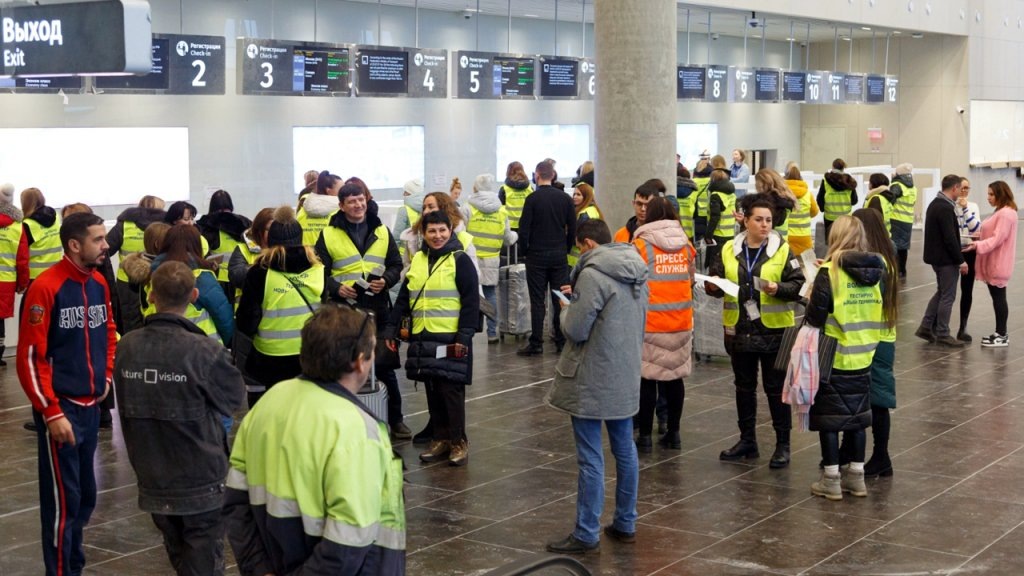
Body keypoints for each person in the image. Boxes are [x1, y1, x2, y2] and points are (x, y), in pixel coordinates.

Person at [225, 305, 406, 575]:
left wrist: (258, 569)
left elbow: (236, 501)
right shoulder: (356, 428)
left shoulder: (267, 404)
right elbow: (348, 540)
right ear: (360, 361)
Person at [114, 261, 245, 576]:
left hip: (151, 473)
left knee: (179, 555)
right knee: (203, 562)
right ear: (195, 295)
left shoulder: (127, 347)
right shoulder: (204, 351)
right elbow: (232, 400)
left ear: (152, 295)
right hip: (199, 475)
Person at [17, 212, 117, 576]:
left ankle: (73, 565)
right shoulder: (45, 288)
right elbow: (30, 358)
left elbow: (108, 331)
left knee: (86, 496)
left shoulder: (98, 284)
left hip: (91, 407)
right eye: (98, 239)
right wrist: (51, 412)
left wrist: (106, 376)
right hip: (63, 412)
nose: (106, 245)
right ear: (75, 245)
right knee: (63, 503)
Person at [545, 219, 648, 554]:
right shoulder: (637, 269)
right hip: (626, 372)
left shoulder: (592, 275)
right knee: (625, 449)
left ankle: (586, 532)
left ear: (587, 244)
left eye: (578, 248)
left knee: (590, 457)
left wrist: (565, 309)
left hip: (591, 375)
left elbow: (575, 330)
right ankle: (626, 523)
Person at [706, 195, 805, 469]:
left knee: (776, 390)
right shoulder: (728, 249)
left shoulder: (783, 250)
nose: (764, 225)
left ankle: (782, 444)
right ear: (745, 221)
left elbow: (799, 285)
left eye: (769, 221)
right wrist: (712, 286)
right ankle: (747, 440)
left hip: (775, 331)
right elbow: (715, 280)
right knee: (744, 388)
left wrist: (778, 289)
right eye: (759, 220)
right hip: (738, 329)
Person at [386, 210, 480, 466]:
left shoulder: (459, 260)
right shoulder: (417, 260)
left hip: (451, 337)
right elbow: (404, 298)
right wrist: (391, 328)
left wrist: (464, 336)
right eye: (432, 231)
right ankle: (441, 438)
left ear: (450, 230)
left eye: (442, 230)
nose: (437, 236)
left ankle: (459, 441)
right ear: (423, 234)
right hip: (424, 336)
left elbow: (471, 302)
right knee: (432, 388)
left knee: (451, 390)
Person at [315, 182, 409, 437]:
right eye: (352, 201)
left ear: (366, 201)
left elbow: (395, 264)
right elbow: (318, 272)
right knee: (345, 364)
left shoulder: (382, 230)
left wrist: (387, 280)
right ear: (342, 205)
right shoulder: (328, 234)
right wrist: (336, 287)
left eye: (361, 200)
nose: (358, 205)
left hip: (377, 308)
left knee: (385, 364)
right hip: (344, 310)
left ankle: (396, 419)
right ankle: (346, 419)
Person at [805, 216, 886, 500]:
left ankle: (831, 479)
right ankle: (857, 478)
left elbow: (815, 318)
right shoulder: (878, 269)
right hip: (865, 353)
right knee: (858, 418)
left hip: (835, 355)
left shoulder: (830, 271)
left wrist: (813, 290)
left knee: (830, 419)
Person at [238, 207, 325, 406]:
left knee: (274, 410)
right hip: (310, 354)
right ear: (300, 238)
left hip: (270, 358)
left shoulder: (259, 273)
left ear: (271, 240)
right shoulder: (318, 269)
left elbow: (247, 321)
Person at [631, 197, 694, 452]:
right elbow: (690, 280)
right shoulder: (687, 246)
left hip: (651, 322)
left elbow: (632, 281)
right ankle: (674, 434)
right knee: (675, 378)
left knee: (647, 380)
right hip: (680, 321)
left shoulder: (640, 245)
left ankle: (644, 437)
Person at [852, 208, 901, 478]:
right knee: (878, 398)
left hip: (872, 338)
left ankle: (880, 456)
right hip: (884, 336)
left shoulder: (874, 263)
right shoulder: (888, 256)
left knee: (872, 399)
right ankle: (879, 456)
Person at [517, 160, 576, 356]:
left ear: (537, 175)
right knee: (560, 297)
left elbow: (524, 230)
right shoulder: (565, 199)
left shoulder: (532, 199)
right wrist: (565, 249)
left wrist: (524, 251)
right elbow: (572, 229)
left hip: (536, 256)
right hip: (559, 256)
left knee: (537, 300)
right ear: (553, 175)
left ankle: (536, 343)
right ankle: (560, 340)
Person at [153, 224, 234, 345]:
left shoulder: (154, 273)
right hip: (202, 346)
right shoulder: (201, 277)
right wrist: (229, 342)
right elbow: (222, 315)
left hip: (159, 343)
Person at [963, 180, 1019, 348]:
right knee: (997, 298)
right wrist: (977, 237)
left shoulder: (1006, 214)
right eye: (988, 194)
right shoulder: (1000, 212)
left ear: (1001, 194)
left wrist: (978, 245)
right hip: (993, 262)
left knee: (999, 298)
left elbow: (997, 238)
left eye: (991, 194)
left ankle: (1002, 334)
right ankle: (1000, 332)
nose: (988, 197)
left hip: (998, 263)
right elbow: (991, 232)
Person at [463, 173, 517, 343]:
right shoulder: (501, 210)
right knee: (490, 294)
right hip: (492, 259)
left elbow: (459, 232)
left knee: (466, 295)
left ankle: (466, 331)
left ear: (476, 188)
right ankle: (492, 333)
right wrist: (515, 236)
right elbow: (508, 238)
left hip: (470, 258)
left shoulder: (467, 208)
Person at [916, 174, 968, 348]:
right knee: (948, 295)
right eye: (960, 189)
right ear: (954, 188)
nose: (961, 192)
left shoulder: (935, 204)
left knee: (941, 292)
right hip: (945, 259)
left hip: (936, 258)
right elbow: (950, 238)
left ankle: (925, 326)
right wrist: (961, 260)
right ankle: (943, 333)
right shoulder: (945, 207)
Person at [106, 195, 166, 333]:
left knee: (129, 320)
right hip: (156, 280)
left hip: (127, 281)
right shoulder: (163, 227)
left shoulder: (125, 225)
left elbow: (106, 250)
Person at [196, 189, 251, 302]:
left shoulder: (206, 226)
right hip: (243, 277)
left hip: (219, 279)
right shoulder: (245, 223)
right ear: (231, 205)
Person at [0, 182, 28, 366]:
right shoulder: (18, 227)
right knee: (0, 319)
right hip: (6, 281)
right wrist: (22, 283)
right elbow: (22, 259)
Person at [227, 207, 275, 301]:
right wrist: (263, 266)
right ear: (259, 230)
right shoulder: (243, 249)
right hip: (248, 308)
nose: (274, 233)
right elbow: (236, 276)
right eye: (270, 229)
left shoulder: (282, 250)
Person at [954, 177, 981, 342]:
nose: (964, 191)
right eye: (962, 188)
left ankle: (963, 327)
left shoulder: (973, 207)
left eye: (967, 188)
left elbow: (976, 229)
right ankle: (936, 324)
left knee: (967, 290)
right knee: (946, 290)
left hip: (969, 250)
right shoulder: (950, 206)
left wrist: (965, 210)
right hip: (953, 250)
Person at [19, 187, 62, 285]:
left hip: (35, 276)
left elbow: (22, 254)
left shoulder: (27, 225)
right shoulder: (55, 217)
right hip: (56, 271)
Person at [816, 158, 858, 242]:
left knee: (831, 242)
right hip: (846, 219)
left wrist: (822, 209)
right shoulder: (849, 182)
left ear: (833, 167)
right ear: (843, 168)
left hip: (830, 219)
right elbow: (854, 201)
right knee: (845, 242)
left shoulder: (826, 181)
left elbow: (820, 199)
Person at [297, 171, 342, 246]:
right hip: (329, 252)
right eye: (341, 189)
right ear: (329, 191)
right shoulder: (339, 210)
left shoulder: (303, 207)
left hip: (304, 253)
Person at [783, 164, 819, 256]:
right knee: (806, 266)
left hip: (787, 236)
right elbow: (815, 212)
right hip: (804, 235)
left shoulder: (782, 193)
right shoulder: (807, 194)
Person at [890, 163, 918, 280]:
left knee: (894, 245)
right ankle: (902, 269)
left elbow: (890, 198)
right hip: (907, 221)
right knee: (904, 247)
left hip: (896, 219)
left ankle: (895, 270)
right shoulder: (913, 188)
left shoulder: (896, 185)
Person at [705, 169, 737, 269]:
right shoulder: (732, 194)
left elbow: (715, 217)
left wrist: (708, 234)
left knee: (715, 264)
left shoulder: (715, 195)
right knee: (725, 262)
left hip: (718, 235)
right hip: (730, 234)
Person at [754, 169, 797, 239]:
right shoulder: (784, 200)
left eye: (756, 182)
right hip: (781, 242)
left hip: (770, 242)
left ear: (763, 184)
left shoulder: (771, 204)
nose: (755, 185)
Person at [568, 182, 602, 268]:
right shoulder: (593, 210)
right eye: (574, 194)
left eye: (579, 195)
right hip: (589, 256)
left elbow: (577, 238)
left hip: (577, 259)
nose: (575, 197)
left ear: (586, 197)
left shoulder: (583, 214)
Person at [391, 178, 425, 256]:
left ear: (410, 194)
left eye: (405, 192)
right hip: (423, 254)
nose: (403, 195)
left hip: (405, 255)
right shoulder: (428, 208)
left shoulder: (403, 210)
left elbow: (396, 236)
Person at [499, 161, 533, 231]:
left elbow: (500, 210)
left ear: (508, 172)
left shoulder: (504, 189)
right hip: (527, 226)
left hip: (509, 227)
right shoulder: (530, 189)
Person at [692, 156, 713, 240]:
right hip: (709, 213)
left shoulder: (694, 182)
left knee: (697, 237)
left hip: (697, 213)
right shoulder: (712, 181)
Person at [676, 165, 698, 240]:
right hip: (689, 232)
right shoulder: (694, 192)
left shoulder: (672, 191)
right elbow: (696, 214)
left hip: (674, 232)